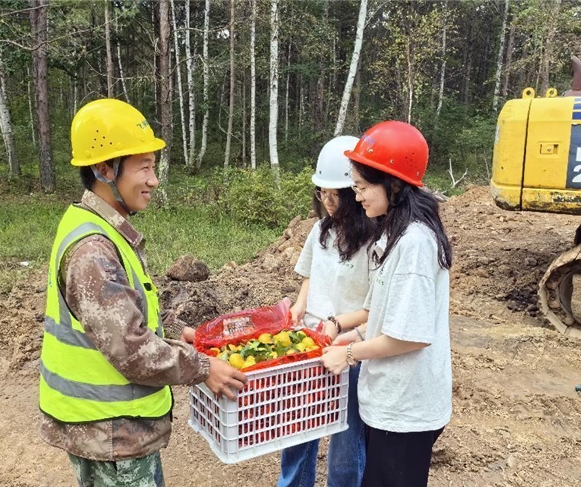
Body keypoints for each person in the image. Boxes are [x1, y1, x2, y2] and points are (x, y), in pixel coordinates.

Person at [38, 98, 247, 487]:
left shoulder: (102, 229)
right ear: (104, 169)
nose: (154, 180)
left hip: (111, 430)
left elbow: (124, 325)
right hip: (111, 432)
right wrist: (202, 368)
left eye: (155, 167)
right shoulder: (93, 250)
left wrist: (178, 342)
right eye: (145, 168)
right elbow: (130, 349)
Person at [321, 121, 452, 487]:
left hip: (406, 409)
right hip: (390, 402)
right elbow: (386, 314)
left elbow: (411, 336)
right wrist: (351, 335)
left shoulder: (414, 243)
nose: (357, 196)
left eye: (362, 187)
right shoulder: (392, 234)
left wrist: (349, 355)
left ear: (393, 185)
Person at [277, 136, 374, 487]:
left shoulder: (374, 243)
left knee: (347, 441)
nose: (329, 203)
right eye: (323, 194)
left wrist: (337, 327)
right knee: (297, 429)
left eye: (337, 195)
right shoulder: (319, 231)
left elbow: (375, 309)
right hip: (310, 343)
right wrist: (301, 306)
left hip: (349, 348)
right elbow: (309, 277)